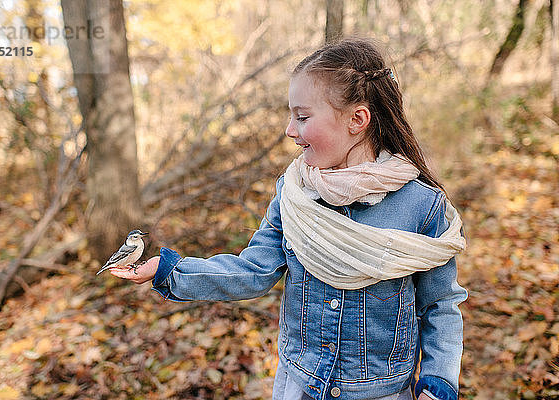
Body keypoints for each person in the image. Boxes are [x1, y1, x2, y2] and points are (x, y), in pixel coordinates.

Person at [110, 37, 467, 400]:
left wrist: (438, 382)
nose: (289, 130)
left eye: (302, 116)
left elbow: (440, 306)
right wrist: (168, 270)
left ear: (357, 119)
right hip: (300, 386)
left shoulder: (422, 206)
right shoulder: (294, 194)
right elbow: (254, 270)